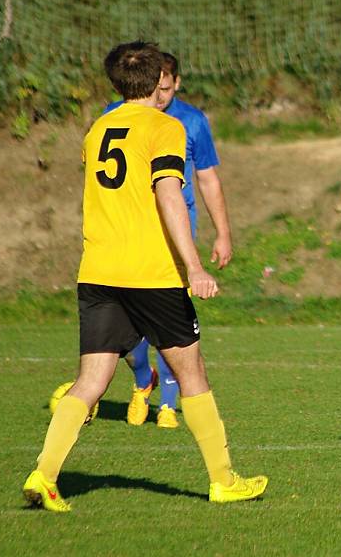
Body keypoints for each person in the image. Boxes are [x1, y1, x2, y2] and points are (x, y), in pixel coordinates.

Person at [22, 41, 266, 512]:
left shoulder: (98, 129)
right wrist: (192, 266)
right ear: (159, 80)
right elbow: (169, 194)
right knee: (191, 372)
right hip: (151, 273)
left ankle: (44, 473)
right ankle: (223, 479)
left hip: (98, 270)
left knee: (90, 380)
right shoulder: (165, 126)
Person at [105, 52, 233, 428]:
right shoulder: (115, 116)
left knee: (171, 320)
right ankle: (144, 378)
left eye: (165, 89)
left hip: (174, 234)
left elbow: (207, 178)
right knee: (125, 327)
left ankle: (168, 403)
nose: (158, 97)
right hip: (126, 234)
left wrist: (222, 233)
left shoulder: (190, 122)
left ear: (176, 83)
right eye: (153, 88)